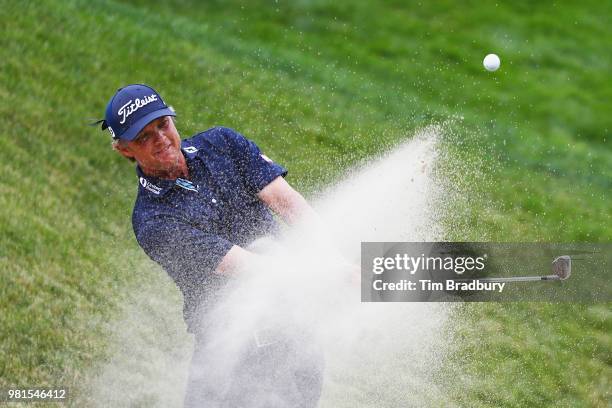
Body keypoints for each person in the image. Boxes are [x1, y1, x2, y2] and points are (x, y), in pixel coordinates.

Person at [97, 84, 324, 407]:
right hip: (233, 353)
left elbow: (289, 205)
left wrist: (333, 254)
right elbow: (249, 268)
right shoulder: (153, 221)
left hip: (295, 328)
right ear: (125, 150)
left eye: (163, 125)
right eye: (144, 137)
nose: (160, 139)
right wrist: (330, 273)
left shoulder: (223, 144)